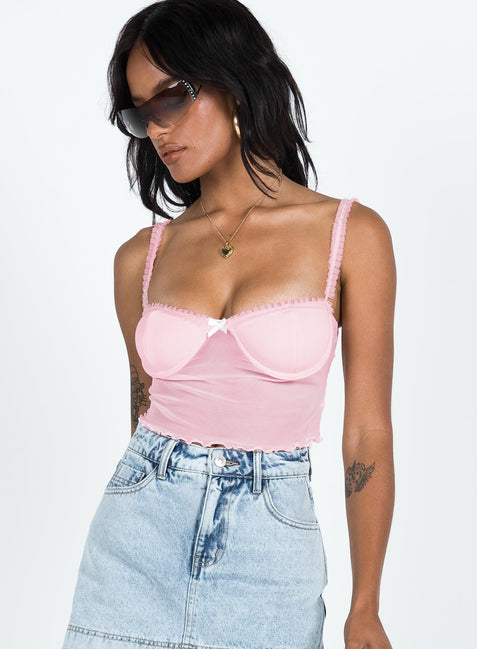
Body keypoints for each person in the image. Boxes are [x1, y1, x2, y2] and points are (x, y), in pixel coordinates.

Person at [61, 1, 396, 648]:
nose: (158, 128)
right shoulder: (140, 258)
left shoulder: (350, 235)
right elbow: (143, 408)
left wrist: (366, 606)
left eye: (172, 97)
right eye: (140, 113)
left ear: (235, 81)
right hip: (133, 548)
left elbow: (367, 432)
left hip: (271, 553)